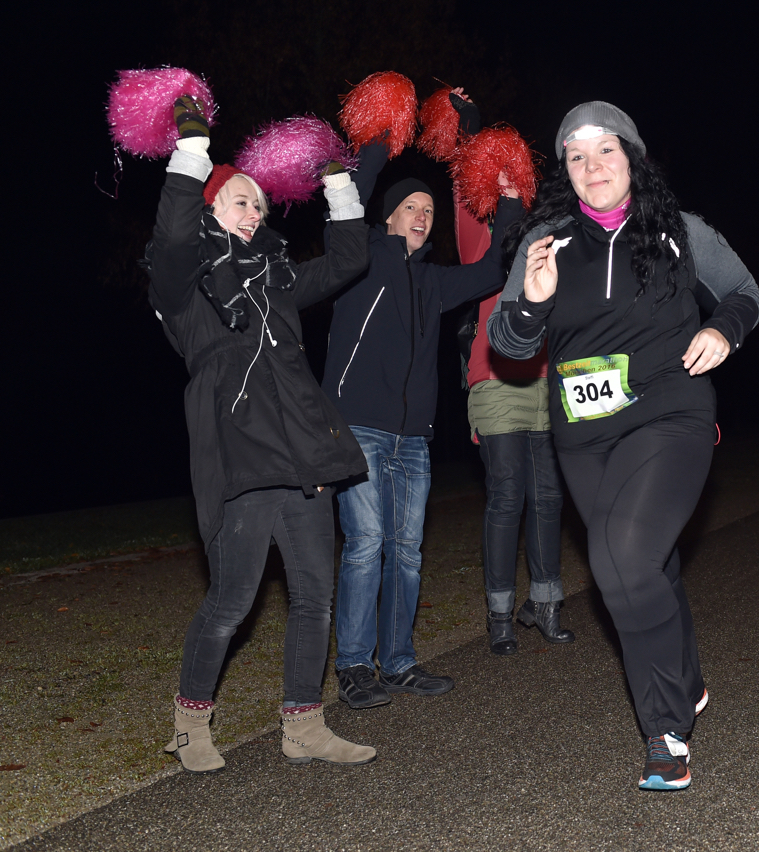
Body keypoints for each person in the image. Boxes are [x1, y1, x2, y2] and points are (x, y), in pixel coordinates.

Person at [488, 101, 759, 790]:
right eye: (577, 158)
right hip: (583, 435)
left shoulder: (680, 233)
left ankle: (665, 730)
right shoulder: (545, 243)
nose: (592, 167)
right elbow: (508, 346)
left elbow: (744, 291)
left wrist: (723, 330)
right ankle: (686, 677)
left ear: (632, 157)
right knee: (647, 566)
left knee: (620, 559)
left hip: (671, 412)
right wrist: (530, 301)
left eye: (604, 151)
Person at [146, 96, 375, 772]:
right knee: (232, 601)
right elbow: (173, 234)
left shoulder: (277, 282)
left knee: (315, 596)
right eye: (243, 202)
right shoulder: (182, 287)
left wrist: (335, 178)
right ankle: (191, 727)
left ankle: (304, 726)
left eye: (261, 207)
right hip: (241, 456)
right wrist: (193, 151)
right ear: (212, 205)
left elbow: (348, 259)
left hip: (304, 449)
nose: (256, 214)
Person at [322, 89, 524, 709]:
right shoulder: (355, 260)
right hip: (357, 428)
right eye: (411, 205)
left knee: (405, 552)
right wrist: (387, 130)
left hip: (414, 438)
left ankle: (400, 662)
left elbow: (492, 269)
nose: (422, 214)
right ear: (386, 217)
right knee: (365, 547)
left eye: (429, 209)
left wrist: (510, 198)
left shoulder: (434, 282)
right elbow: (355, 187)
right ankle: (355, 667)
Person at [465, 290, 574, 654]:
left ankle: (544, 604)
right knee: (507, 495)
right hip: (495, 378)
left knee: (548, 497)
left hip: (545, 377)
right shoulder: (485, 233)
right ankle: (499, 616)